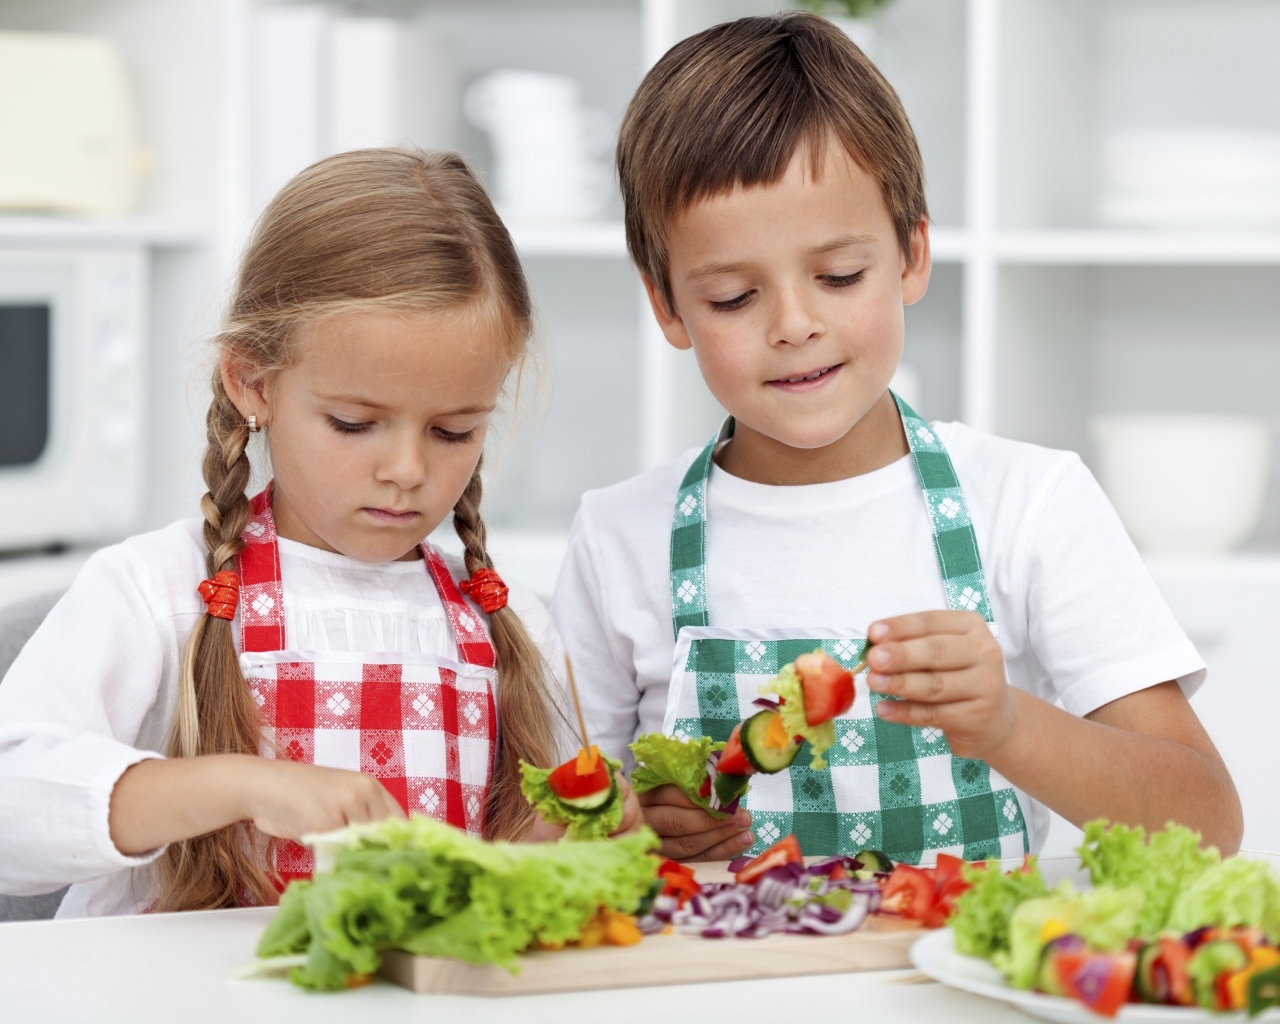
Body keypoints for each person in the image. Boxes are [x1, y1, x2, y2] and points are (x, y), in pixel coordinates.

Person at [553, 13, 1242, 865]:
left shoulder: (1029, 503)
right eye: (733, 296)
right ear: (667, 305)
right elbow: (554, 822)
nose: (795, 325)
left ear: (913, 255)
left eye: (840, 276)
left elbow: (1208, 821)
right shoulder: (620, 535)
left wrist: (1010, 723)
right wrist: (636, 827)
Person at [0, 149, 638, 917]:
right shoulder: (156, 591)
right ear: (253, 384)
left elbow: (545, 861)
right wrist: (237, 785)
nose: (406, 469)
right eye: (354, 423)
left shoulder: (509, 623)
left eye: (453, 430)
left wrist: (579, 840)